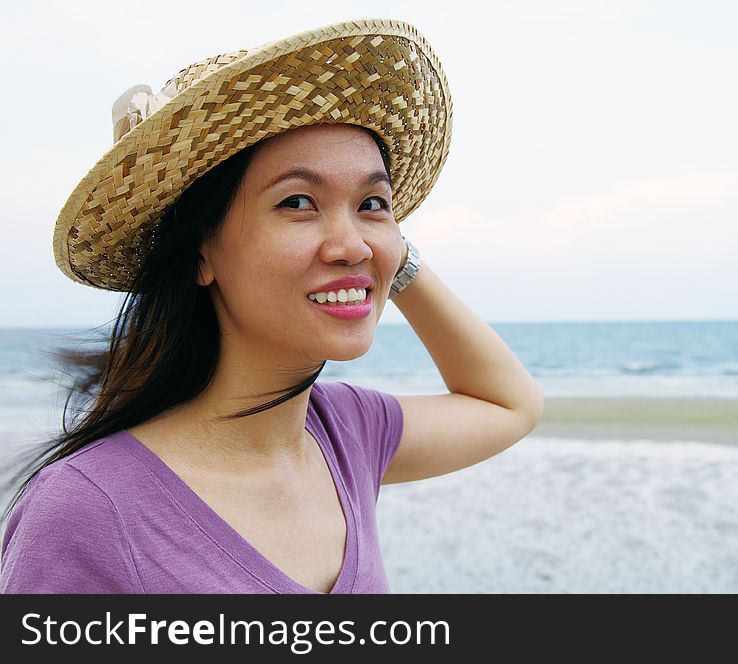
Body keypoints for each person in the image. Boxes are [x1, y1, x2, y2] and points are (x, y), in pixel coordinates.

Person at [0, 18, 543, 594]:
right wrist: (369, 241)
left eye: (373, 203)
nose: (351, 243)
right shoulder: (88, 510)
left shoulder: (344, 437)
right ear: (201, 252)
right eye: (298, 201)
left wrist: (391, 260)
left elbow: (510, 405)